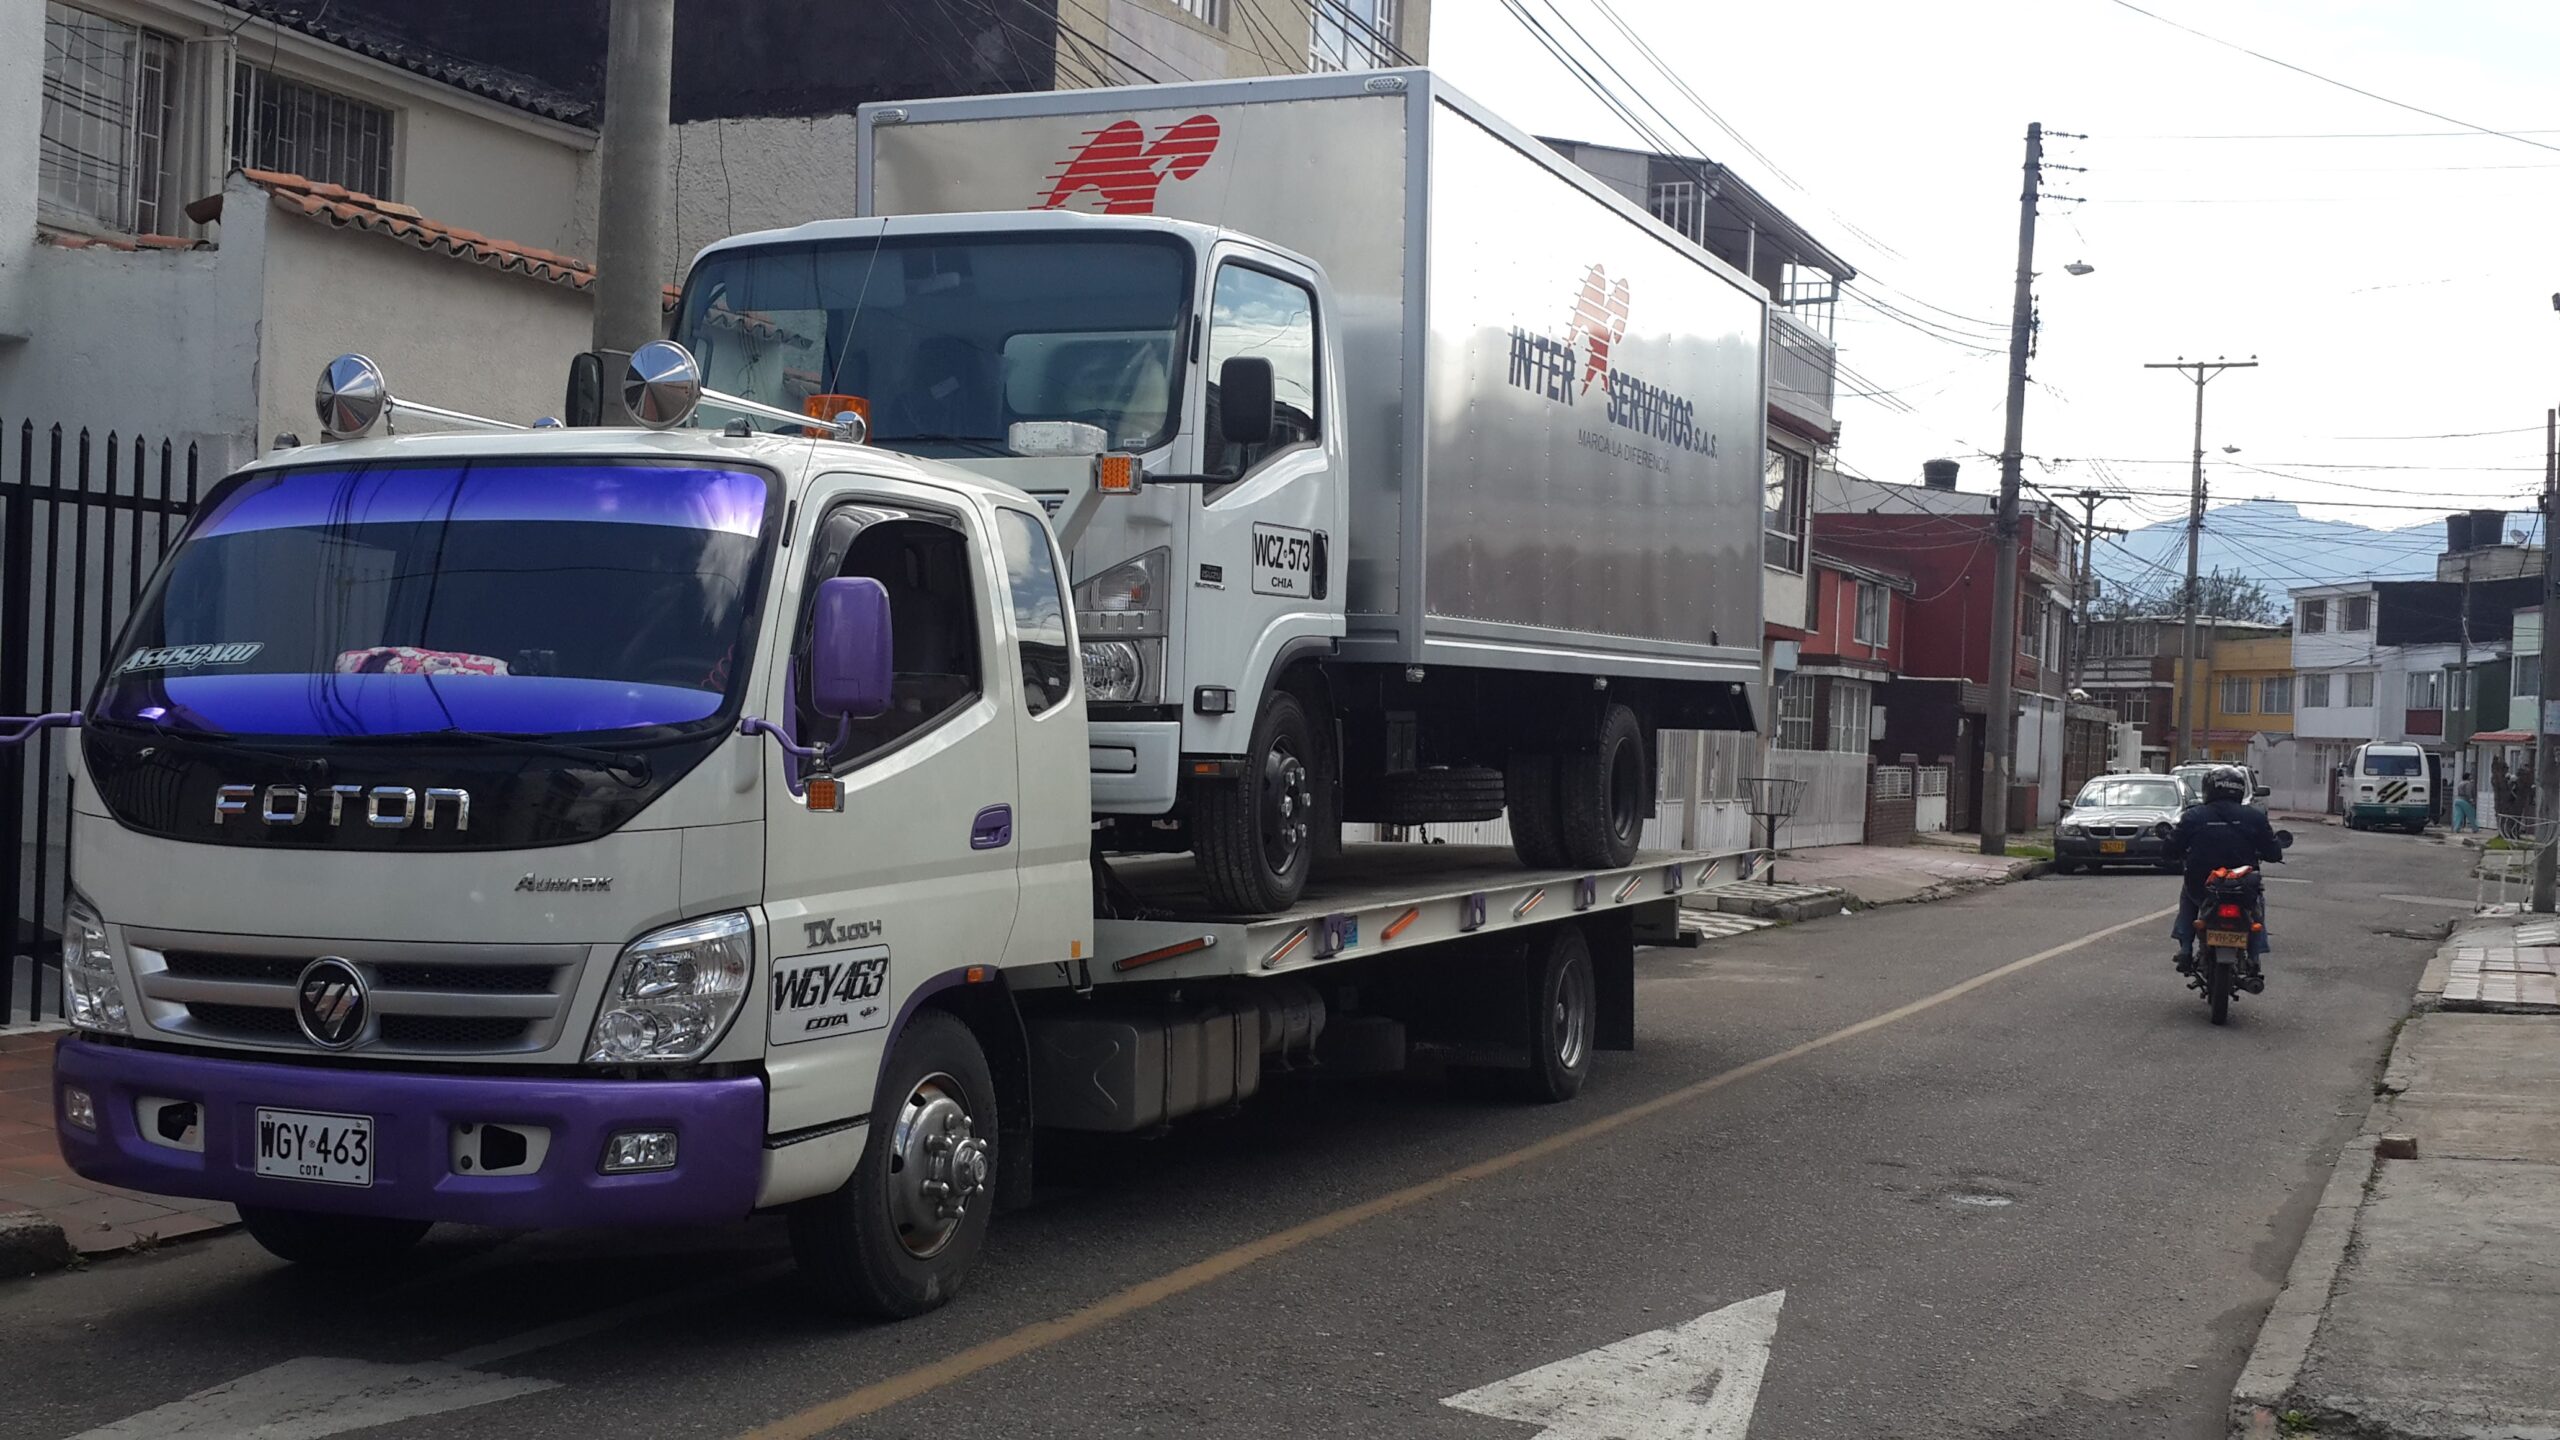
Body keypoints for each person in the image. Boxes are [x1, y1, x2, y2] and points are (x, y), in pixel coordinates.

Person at [2164, 765, 2286, 974]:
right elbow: (2273, 851)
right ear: (2238, 790)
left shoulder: (2194, 816)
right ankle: (2255, 956)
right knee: (2256, 906)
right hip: (2242, 885)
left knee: (2188, 897)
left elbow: (2171, 847)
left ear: (2209, 789)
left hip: (2203, 884)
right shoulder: (2254, 817)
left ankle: (2185, 949)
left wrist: (2171, 851)